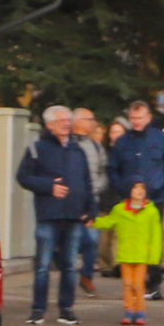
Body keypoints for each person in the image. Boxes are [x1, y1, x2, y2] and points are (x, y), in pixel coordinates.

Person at [18, 105, 92, 325]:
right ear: (49, 125)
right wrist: (48, 186)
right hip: (48, 215)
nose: (66, 125)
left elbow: (87, 181)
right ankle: (38, 310)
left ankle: (66, 309)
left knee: (70, 265)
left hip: (74, 215)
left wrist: (90, 209)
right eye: (61, 121)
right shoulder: (37, 148)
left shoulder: (77, 150)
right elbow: (23, 177)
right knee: (43, 265)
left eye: (68, 121)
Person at [110, 99, 164, 297]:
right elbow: (113, 168)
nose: (136, 122)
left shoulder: (161, 139)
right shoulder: (123, 142)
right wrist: (121, 187)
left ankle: (153, 284)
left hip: (155, 198)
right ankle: (133, 283)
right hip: (129, 200)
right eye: (133, 118)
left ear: (148, 118)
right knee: (131, 240)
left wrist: (161, 182)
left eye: (140, 118)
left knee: (153, 240)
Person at [99, 181, 163, 325]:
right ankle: (129, 310)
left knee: (138, 284)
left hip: (142, 255)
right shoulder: (120, 210)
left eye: (142, 189)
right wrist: (93, 221)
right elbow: (108, 221)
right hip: (126, 254)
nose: (139, 191)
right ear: (129, 191)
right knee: (128, 284)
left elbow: (156, 236)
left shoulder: (151, 211)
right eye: (135, 188)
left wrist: (154, 256)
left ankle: (140, 311)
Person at [73, 107, 111, 295]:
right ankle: (69, 276)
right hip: (71, 201)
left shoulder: (96, 146)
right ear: (77, 121)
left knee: (91, 240)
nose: (93, 122)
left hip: (91, 201)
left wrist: (96, 187)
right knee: (71, 240)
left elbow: (104, 170)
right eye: (89, 119)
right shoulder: (68, 144)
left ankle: (86, 276)